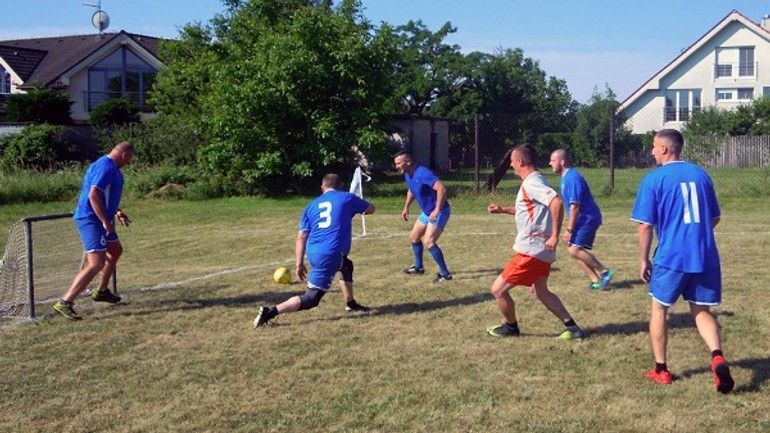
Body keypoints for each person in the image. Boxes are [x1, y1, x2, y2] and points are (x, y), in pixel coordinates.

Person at [631, 129, 734, 393]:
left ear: (664, 149)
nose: (652, 151)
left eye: (654, 147)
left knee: (659, 310)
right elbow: (714, 218)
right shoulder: (701, 175)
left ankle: (661, 370)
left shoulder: (654, 179)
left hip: (671, 257)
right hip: (705, 255)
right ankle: (717, 356)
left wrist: (643, 259)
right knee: (701, 311)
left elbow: (645, 225)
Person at [486, 144, 585, 340]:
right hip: (541, 250)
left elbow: (555, 202)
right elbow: (531, 210)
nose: (511, 165)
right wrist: (502, 209)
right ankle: (573, 328)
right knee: (540, 291)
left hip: (532, 251)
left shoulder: (531, 183)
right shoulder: (536, 181)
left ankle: (511, 327)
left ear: (520, 161)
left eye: (512, 161)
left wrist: (555, 235)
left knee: (498, 290)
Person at [253, 173, 375, 328]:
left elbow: (301, 237)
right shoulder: (347, 198)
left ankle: (351, 304)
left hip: (314, 252)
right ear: (340, 187)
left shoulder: (310, 206)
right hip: (329, 254)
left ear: (322, 188)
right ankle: (269, 311)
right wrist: (357, 209)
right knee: (311, 298)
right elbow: (371, 209)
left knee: (346, 266)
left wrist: (299, 264)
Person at [53, 141, 134, 320]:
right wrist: (105, 220)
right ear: (125, 155)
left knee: (115, 251)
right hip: (91, 219)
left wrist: (117, 211)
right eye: (129, 159)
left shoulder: (110, 167)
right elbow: (94, 194)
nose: (128, 163)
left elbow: (106, 195)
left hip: (102, 218)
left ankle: (102, 291)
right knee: (96, 262)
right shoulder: (105, 167)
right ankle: (65, 302)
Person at [549, 149, 614, 290]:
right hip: (581, 219)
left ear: (562, 161)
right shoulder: (565, 178)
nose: (550, 163)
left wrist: (569, 229)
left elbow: (575, 206)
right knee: (572, 249)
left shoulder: (572, 178)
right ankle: (595, 281)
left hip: (588, 218)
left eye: (553, 160)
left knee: (574, 250)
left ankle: (604, 272)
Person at [393, 150, 452, 283]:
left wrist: (437, 210)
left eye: (398, 163)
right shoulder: (408, 174)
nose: (396, 166)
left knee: (429, 242)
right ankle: (419, 267)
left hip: (440, 211)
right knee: (414, 236)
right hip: (427, 212)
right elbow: (412, 190)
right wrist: (406, 207)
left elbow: (442, 189)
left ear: (408, 162)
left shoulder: (424, 173)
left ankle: (445, 274)